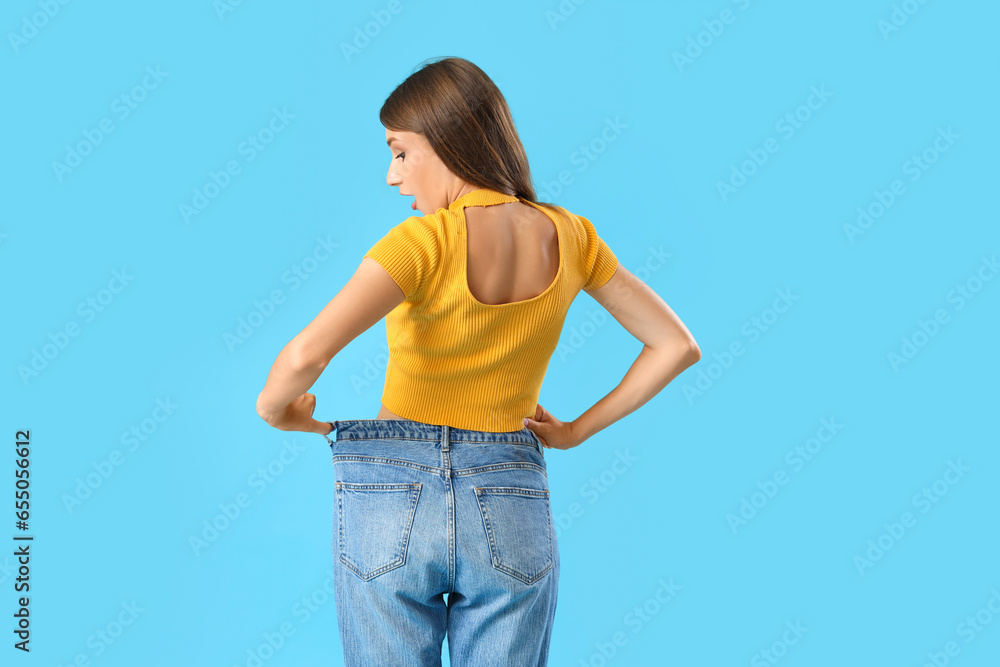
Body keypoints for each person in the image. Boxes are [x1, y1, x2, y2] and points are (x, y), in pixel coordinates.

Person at [256, 56, 701, 666]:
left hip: (394, 490)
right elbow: (676, 345)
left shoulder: (423, 243)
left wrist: (280, 412)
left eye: (401, 152)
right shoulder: (572, 237)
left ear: (445, 142)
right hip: (509, 487)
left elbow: (305, 354)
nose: (393, 177)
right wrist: (574, 431)